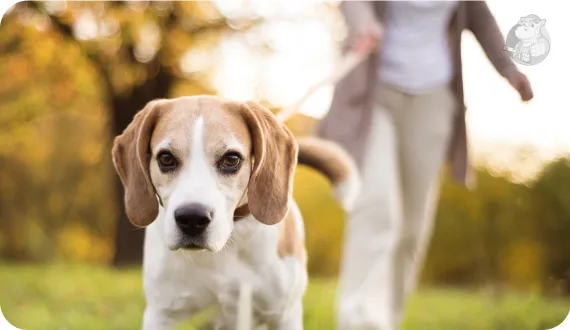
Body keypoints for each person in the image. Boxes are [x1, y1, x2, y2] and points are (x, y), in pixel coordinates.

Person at [316, 1, 534, 330]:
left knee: (412, 227)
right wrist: (364, 22)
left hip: (434, 98)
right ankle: (357, 319)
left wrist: (509, 68)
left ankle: (385, 320)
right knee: (376, 206)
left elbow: (482, 20)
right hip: (374, 91)